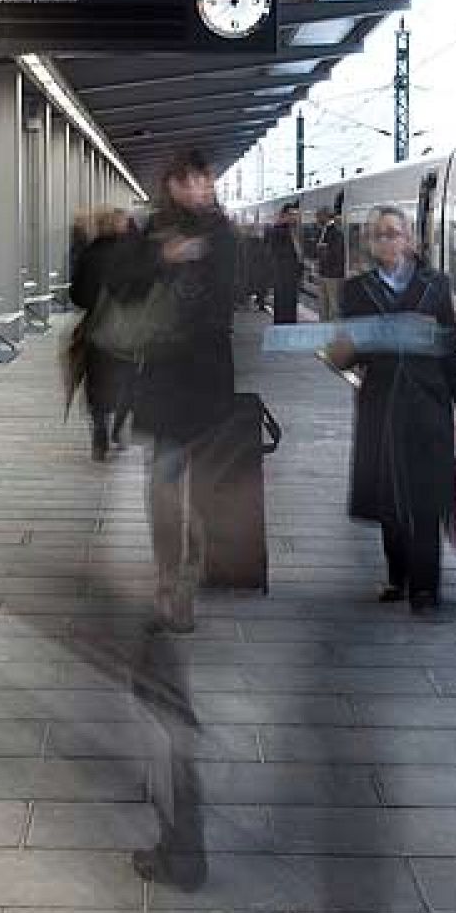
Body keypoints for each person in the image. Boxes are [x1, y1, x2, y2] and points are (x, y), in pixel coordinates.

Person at [328, 205, 456, 612]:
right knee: (389, 496)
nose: (387, 241)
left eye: (394, 233)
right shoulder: (355, 291)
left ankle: (426, 588)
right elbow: (344, 355)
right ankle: (398, 576)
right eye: (379, 235)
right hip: (382, 403)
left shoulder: (436, 286)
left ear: (411, 239)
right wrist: (340, 349)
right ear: (369, 244)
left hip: (429, 404)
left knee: (426, 497)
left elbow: (453, 350)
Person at [124, 150, 239, 635]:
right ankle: (169, 584)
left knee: (204, 487)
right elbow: (121, 288)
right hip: (162, 376)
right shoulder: (148, 232)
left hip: (207, 375)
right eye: (185, 180)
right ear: (169, 184)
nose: (196, 188)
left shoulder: (225, 236)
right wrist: (160, 260)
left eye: (202, 179)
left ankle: (187, 581)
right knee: (165, 481)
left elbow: (234, 295)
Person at [69, 206, 135, 460]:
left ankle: (100, 431)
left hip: (96, 328)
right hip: (129, 329)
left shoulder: (89, 253)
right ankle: (118, 428)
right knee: (129, 380)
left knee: (96, 382)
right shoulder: (133, 255)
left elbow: (77, 296)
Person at [265, 203, 303, 324]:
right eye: (292, 214)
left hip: (292, 273)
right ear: (285, 215)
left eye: (296, 214)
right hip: (283, 274)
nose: (295, 217)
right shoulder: (277, 230)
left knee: (291, 302)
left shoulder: (294, 230)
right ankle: (282, 325)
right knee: (283, 302)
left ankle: (290, 324)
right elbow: (272, 251)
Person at [315, 206, 346, 323]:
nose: (317, 219)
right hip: (324, 272)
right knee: (323, 304)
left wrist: (323, 249)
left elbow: (337, 253)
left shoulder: (336, 232)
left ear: (325, 216)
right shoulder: (323, 230)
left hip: (333, 274)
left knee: (334, 305)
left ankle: (334, 332)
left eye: (318, 216)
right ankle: (323, 330)